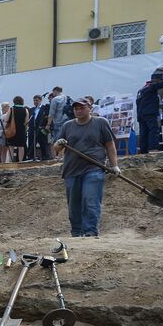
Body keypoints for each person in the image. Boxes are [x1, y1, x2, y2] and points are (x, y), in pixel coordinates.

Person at [54, 96, 119, 238]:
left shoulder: (101, 123)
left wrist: (114, 165)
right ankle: (76, 232)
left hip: (94, 168)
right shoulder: (68, 125)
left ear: (90, 108)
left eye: (82, 108)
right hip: (72, 169)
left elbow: (109, 144)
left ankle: (90, 231)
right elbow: (56, 148)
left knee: (90, 199)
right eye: (76, 108)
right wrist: (59, 143)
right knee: (74, 204)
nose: (79, 111)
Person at [136, 70, 163, 154]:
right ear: (156, 80)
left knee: (144, 133)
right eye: (159, 80)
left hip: (141, 115)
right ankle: (153, 149)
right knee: (153, 131)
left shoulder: (142, 89)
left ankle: (143, 151)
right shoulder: (152, 86)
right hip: (150, 114)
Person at [6, 97, 28, 163]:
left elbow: (7, 119)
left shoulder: (11, 109)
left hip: (12, 130)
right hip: (21, 130)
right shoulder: (25, 110)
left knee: (11, 146)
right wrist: (25, 130)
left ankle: (10, 161)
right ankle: (20, 161)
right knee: (21, 146)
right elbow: (26, 122)